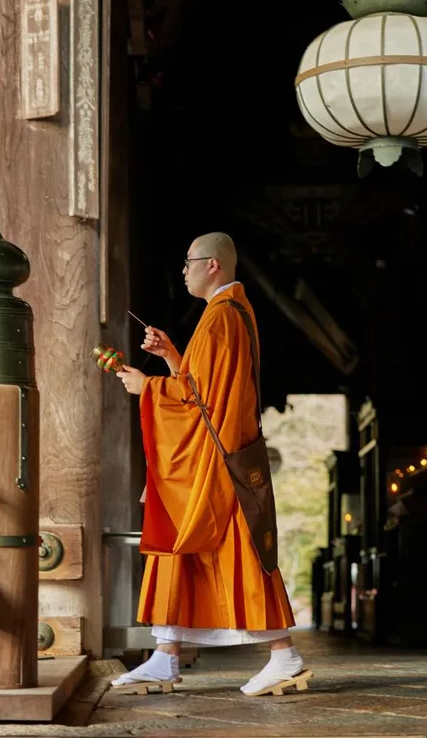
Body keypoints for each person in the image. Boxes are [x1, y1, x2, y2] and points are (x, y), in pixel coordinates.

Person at [112, 232, 310, 697]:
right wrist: (171, 358)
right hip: (211, 452)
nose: (183, 271)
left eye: (188, 263)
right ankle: (166, 654)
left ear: (213, 266)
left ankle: (284, 655)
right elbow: (203, 385)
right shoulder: (222, 315)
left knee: (238, 549)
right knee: (180, 546)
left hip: (216, 460)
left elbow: (199, 399)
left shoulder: (222, 318)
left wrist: (149, 387)